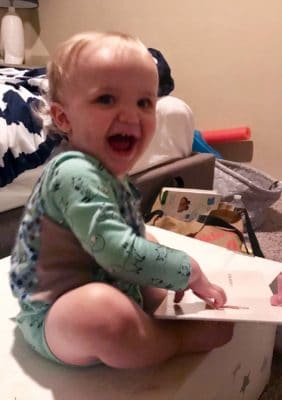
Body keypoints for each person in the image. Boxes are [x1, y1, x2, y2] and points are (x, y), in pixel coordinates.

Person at [10, 31, 233, 369]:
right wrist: (187, 271)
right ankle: (175, 340)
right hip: (54, 312)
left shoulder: (107, 171)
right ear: (63, 118)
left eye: (144, 102)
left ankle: (155, 316)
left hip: (106, 274)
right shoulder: (73, 172)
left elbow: (125, 238)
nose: (131, 115)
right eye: (106, 99)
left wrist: (157, 271)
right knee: (103, 312)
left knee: (147, 237)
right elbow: (115, 250)